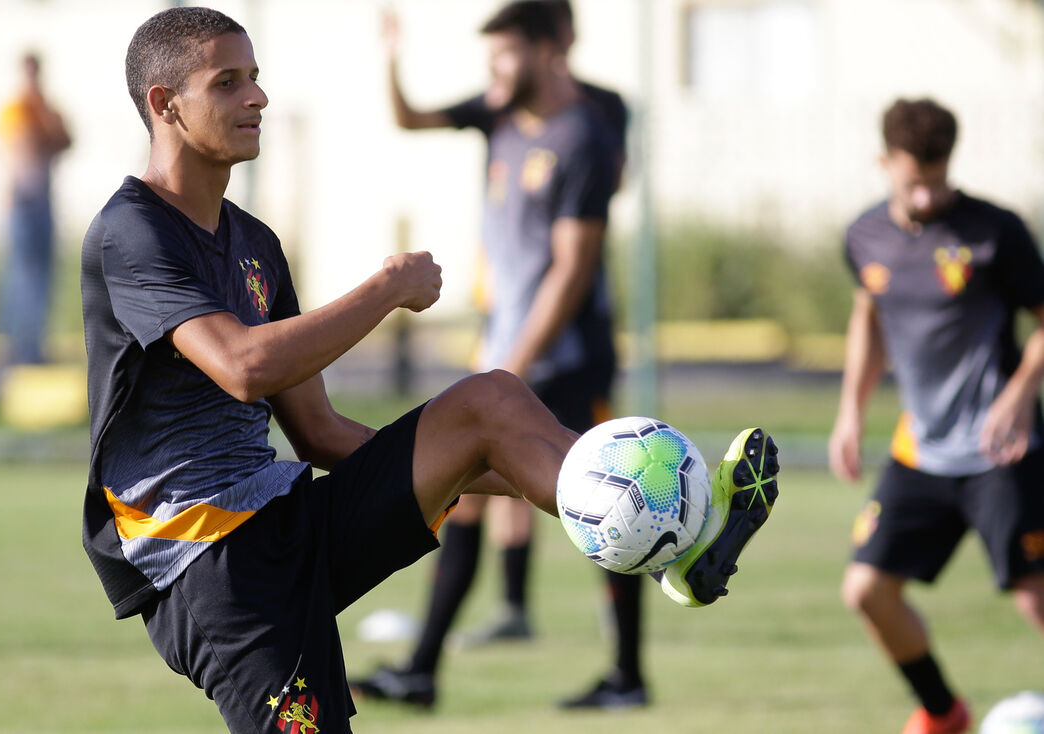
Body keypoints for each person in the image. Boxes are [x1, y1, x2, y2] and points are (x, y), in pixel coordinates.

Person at [82, 7, 776, 732]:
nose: (257, 97)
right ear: (165, 104)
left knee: (491, 406)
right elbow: (243, 367)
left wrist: (482, 465)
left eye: (256, 78)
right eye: (228, 82)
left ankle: (684, 537)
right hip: (209, 566)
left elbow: (316, 432)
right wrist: (385, 290)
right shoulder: (131, 230)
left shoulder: (254, 242)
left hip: (284, 520)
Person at [350, 1, 635, 710]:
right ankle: (421, 671)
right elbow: (409, 119)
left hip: (564, 358)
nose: (494, 72)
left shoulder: (585, 138)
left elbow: (571, 270)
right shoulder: (500, 113)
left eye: (505, 56)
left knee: (614, 494)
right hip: (507, 354)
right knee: (462, 496)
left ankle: (628, 674)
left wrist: (517, 363)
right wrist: (390, 54)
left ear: (547, 52)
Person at [829, 97, 1044, 734]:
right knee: (865, 590)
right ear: (884, 163)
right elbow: (869, 315)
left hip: (999, 450)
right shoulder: (864, 236)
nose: (925, 197)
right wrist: (851, 412)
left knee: (1034, 598)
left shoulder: (994, 232)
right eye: (912, 181)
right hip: (919, 451)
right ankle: (943, 712)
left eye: (937, 178)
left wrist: (1020, 393)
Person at [0, 51, 71, 364]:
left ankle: (32, 346)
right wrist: (40, 118)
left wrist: (44, 117)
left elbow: (65, 140)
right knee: (21, 275)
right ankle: (17, 348)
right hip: (23, 201)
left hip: (42, 200)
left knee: (42, 275)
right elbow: (25, 143)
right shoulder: (17, 109)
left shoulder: (45, 109)